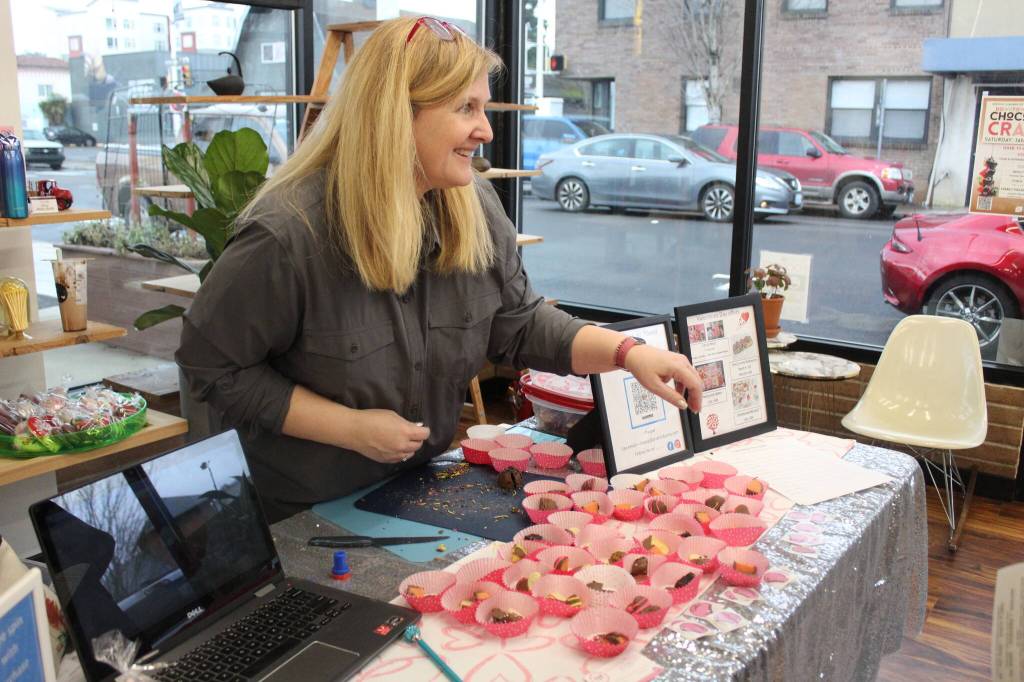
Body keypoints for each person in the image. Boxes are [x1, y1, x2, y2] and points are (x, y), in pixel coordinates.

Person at [176, 16, 703, 523]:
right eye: (466, 108)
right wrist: (349, 428)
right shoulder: (288, 234)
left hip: (412, 488)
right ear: (395, 115)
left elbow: (517, 322)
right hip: (300, 514)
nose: (485, 131)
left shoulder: (471, 205)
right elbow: (213, 368)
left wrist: (627, 353)